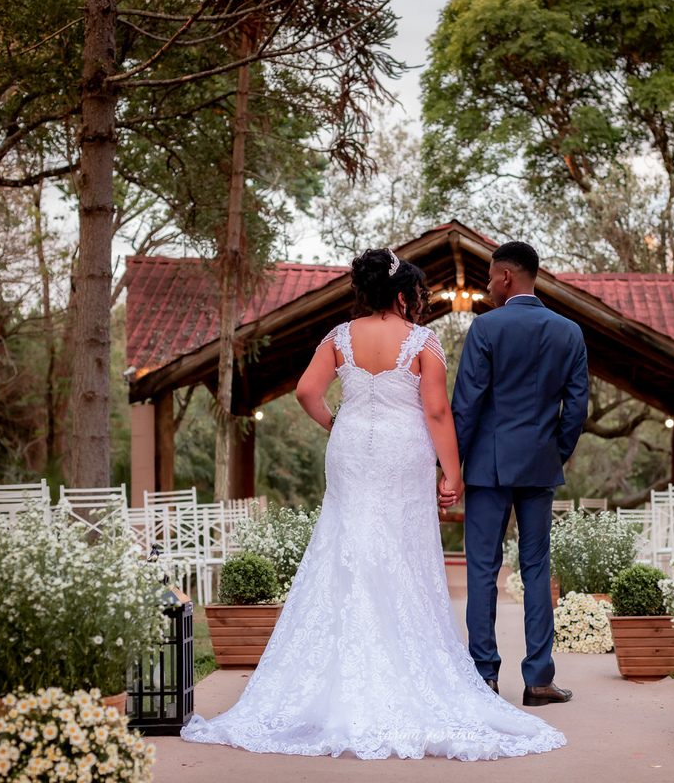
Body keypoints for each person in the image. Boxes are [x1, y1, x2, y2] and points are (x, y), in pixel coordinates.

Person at [180, 248, 565, 761]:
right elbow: (435, 409)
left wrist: (336, 422)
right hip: (402, 452)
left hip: (350, 450)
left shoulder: (339, 337)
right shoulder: (422, 341)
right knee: (402, 548)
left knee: (344, 540)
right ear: (404, 295)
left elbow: (305, 392)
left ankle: (334, 671)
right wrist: (452, 472)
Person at [447, 240, 589, 707]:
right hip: (539, 466)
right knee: (536, 568)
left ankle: (484, 676)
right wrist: (554, 452)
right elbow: (576, 408)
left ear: (508, 277)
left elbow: (465, 405)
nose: (487, 286)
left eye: (489, 277)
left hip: (488, 468)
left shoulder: (486, 328)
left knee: (483, 571)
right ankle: (538, 680)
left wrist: (450, 466)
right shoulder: (569, 332)